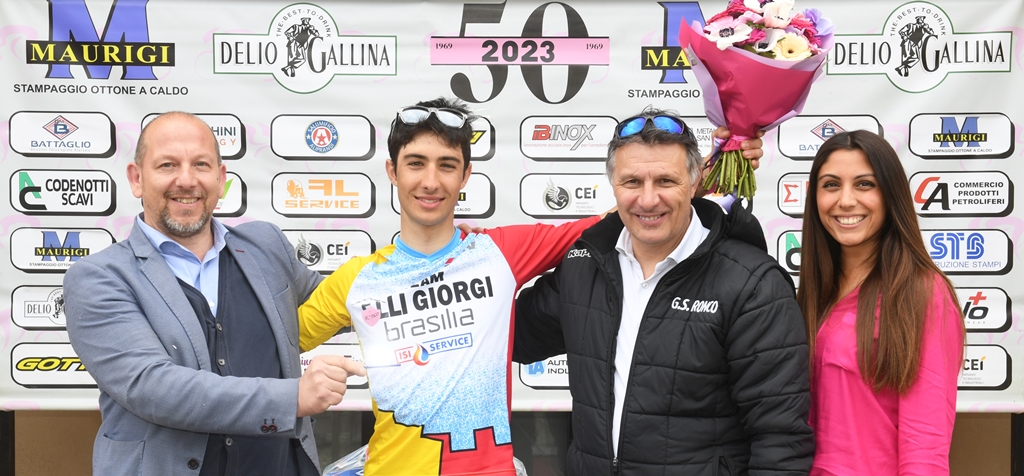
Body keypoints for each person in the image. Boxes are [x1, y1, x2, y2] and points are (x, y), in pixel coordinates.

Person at [297, 99, 766, 475]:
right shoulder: (356, 278)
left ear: (465, 175)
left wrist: (721, 165)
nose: (430, 181)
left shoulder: (500, 251)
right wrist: (298, 391)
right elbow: (273, 344)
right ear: (392, 171)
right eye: (415, 163)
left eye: (447, 165)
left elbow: (630, 215)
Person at [513, 108, 813, 475]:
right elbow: (512, 338)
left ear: (695, 182)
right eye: (632, 182)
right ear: (613, 186)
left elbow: (781, 439)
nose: (648, 199)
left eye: (666, 181)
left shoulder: (752, 283)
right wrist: (462, 258)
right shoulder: (584, 264)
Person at [64, 112, 366, 476]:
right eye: (167, 165)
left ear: (220, 178)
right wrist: (294, 398)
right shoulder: (99, 278)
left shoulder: (266, 246)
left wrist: (430, 257)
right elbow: (154, 388)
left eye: (201, 164)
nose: (186, 180)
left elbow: (342, 302)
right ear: (136, 178)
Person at [796, 130, 964, 475]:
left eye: (864, 184)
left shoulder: (920, 293)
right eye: (831, 185)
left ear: (890, 194)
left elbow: (925, 443)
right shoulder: (814, 292)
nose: (845, 200)